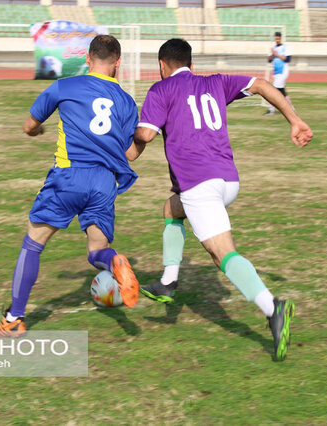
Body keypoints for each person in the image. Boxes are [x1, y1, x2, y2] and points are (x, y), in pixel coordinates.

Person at [129, 38, 313, 361]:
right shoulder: (215, 82)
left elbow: (144, 136)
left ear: (161, 66)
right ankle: (168, 281)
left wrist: (125, 134)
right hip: (228, 180)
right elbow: (261, 84)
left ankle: (274, 308)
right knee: (171, 207)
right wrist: (295, 120)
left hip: (200, 185)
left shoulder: (161, 90)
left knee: (221, 254)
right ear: (191, 64)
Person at [0, 35, 140, 337]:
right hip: (103, 181)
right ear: (118, 63)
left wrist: (39, 130)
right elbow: (130, 150)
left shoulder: (65, 86)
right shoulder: (126, 101)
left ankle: (14, 319)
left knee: (34, 242)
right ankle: (116, 261)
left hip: (68, 176)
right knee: (97, 250)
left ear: (87, 58)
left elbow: (28, 126)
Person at [264, 31, 294, 115]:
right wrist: (270, 55)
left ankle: (271, 109)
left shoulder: (285, 47)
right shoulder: (273, 48)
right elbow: (269, 60)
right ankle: (291, 108)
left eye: (278, 38)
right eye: (276, 38)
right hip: (276, 72)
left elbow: (288, 59)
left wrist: (276, 54)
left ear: (281, 38)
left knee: (274, 90)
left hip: (283, 71)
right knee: (281, 90)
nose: (277, 40)